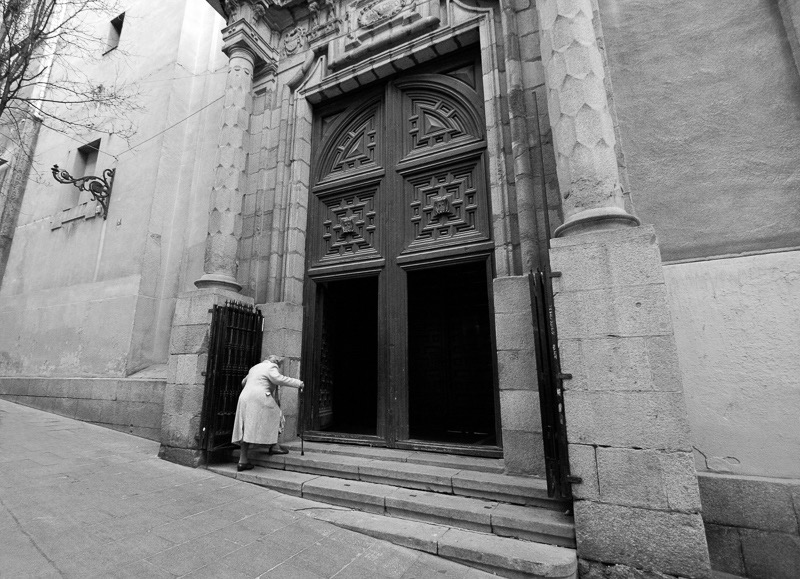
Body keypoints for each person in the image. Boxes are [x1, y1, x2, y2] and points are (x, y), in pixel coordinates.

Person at [231, 355, 304, 471]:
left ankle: (242, 461)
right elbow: (278, 379)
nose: (278, 367)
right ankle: (274, 446)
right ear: (275, 361)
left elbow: (243, 382)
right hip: (259, 397)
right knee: (278, 415)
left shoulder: (255, 368)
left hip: (245, 397)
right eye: (279, 365)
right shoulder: (271, 366)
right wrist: (298, 383)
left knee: (246, 427)